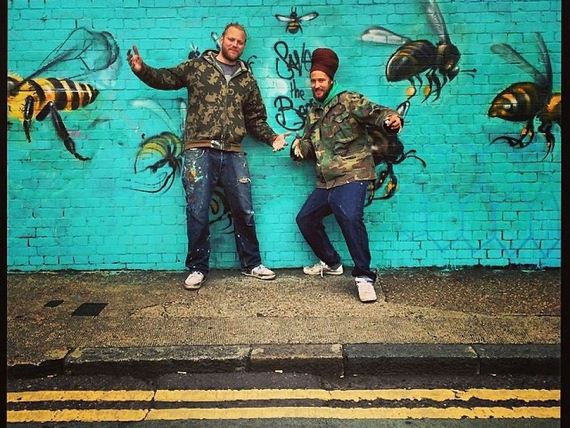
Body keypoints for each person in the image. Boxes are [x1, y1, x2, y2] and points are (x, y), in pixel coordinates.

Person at [127, 23, 289, 290]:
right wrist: (142, 70)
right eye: (231, 39)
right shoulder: (198, 67)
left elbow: (255, 119)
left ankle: (251, 263)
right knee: (198, 211)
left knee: (244, 210)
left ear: (243, 46)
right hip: (199, 150)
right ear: (222, 40)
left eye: (240, 42)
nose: (235, 44)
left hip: (233, 152)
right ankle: (197, 268)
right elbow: (167, 78)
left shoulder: (247, 80)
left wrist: (272, 138)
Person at [291, 48, 403, 303]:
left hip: (353, 173)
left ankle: (364, 277)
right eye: (313, 80)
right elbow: (308, 145)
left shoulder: (348, 100)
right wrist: (297, 149)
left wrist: (392, 120)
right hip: (326, 180)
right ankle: (332, 263)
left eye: (321, 80)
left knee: (349, 216)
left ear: (331, 80)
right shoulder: (314, 112)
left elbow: (378, 113)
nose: (316, 85)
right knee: (305, 219)